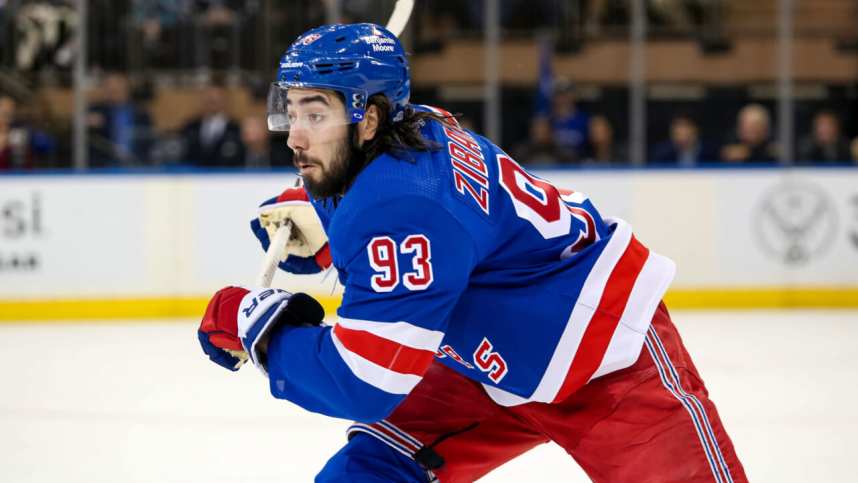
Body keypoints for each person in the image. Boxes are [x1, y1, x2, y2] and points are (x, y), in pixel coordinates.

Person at [196, 23, 747, 482]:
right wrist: (321, 221)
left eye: (315, 115)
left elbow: (364, 380)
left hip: (601, 355)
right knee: (368, 476)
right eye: (291, 112)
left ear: (368, 119)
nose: (295, 137)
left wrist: (260, 329)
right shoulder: (410, 127)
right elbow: (413, 224)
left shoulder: (405, 203)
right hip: (483, 363)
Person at [87, 72, 153, 166]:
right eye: (109, 86)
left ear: (127, 88)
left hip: (137, 166)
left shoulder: (141, 113)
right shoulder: (96, 110)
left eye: (118, 86)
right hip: (103, 167)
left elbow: (148, 139)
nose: (113, 89)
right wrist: (87, 123)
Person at [179, 84, 244, 167]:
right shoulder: (191, 127)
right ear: (203, 100)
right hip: (195, 176)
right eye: (210, 98)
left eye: (217, 98)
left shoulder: (236, 128)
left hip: (227, 176)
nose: (213, 101)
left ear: (225, 101)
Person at [651, 114, 717, 166]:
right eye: (677, 133)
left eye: (686, 133)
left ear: (695, 130)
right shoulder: (662, 154)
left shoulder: (710, 151)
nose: (682, 138)